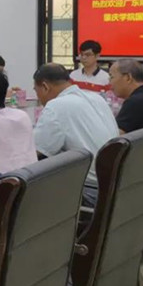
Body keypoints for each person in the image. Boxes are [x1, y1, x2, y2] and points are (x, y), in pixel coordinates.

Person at [32, 63, 118, 206]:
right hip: (113, 185)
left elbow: (36, 151)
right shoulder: (96, 98)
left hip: (89, 190)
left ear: (45, 87)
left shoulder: (56, 106)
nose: (39, 98)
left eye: (36, 91)